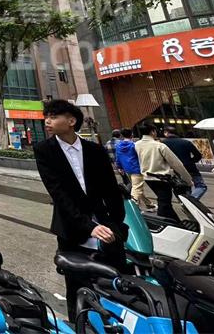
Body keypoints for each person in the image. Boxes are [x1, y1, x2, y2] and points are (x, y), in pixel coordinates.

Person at [34, 100, 127, 322]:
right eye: (46, 116)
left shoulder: (95, 150)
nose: (47, 121)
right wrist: (88, 226)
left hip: (106, 227)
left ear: (71, 121)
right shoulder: (44, 150)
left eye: (53, 116)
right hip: (72, 228)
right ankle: (80, 325)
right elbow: (58, 194)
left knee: (115, 282)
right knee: (77, 286)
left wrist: (115, 223)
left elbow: (111, 190)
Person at [135, 123, 193, 222]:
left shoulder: (137, 145)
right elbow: (177, 164)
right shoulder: (159, 146)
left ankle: (175, 222)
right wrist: (188, 180)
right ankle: (163, 222)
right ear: (152, 132)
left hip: (148, 178)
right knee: (164, 203)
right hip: (162, 179)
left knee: (164, 201)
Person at [114, 128, 155, 211]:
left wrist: (119, 167)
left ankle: (149, 204)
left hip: (127, 169)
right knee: (137, 188)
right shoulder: (134, 145)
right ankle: (133, 207)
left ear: (122, 135)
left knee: (136, 187)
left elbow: (118, 157)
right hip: (136, 169)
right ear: (132, 134)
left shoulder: (118, 146)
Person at [161, 126, 207, 199]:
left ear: (166, 133)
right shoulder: (185, 142)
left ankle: (188, 201)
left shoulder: (162, 144)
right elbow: (198, 155)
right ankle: (191, 200)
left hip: (175, 169)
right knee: (201, 186)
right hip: (190, 167)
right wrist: (190, 161)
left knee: (185, 188)